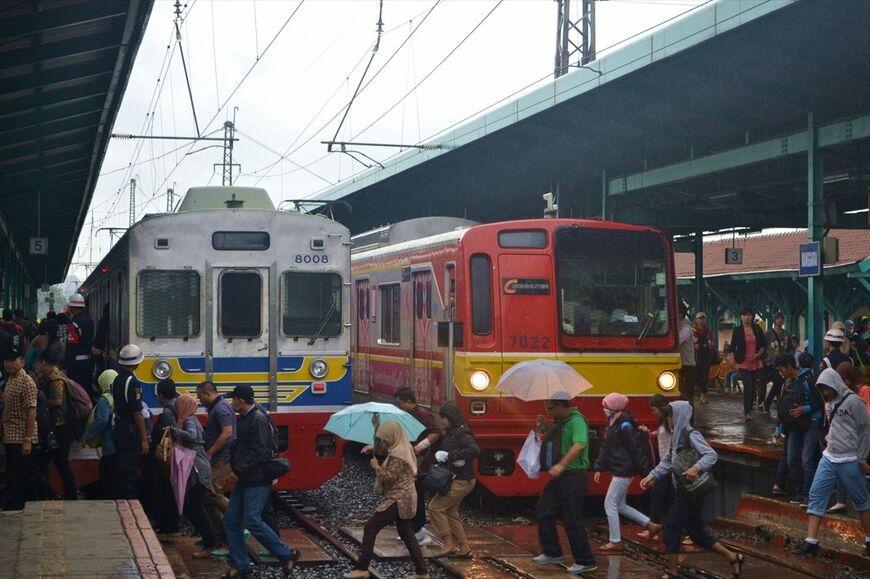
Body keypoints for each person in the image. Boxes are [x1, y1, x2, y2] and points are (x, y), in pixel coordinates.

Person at [640, 401, 745, 578]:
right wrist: (652, 476)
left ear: (680, 415)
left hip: (690, 491)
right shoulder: (676, 436)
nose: (669, 418)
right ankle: (734, 557)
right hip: (684, 489)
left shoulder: (690, 434)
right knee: (696, 531)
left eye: (671, 415)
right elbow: (668, 461)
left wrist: (696, 468)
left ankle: (672, 572)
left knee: (672, 528)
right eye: (668, 415)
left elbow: (711, 455)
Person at [793, 369, 870, 558]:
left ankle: (869, 539)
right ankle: (811, 541)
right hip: (829, 456)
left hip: (849, 458)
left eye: (827, 388)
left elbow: (865, 430)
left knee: (861, 500)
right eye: (822, 389)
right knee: (816, 494)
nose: (825, 393)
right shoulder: (829, 403)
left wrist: (861, 458)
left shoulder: (854, 402)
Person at [223, 385, 299, 578]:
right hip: (247, 478)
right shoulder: (249, 418)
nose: (232, 403)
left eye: (234, 400)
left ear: (241, 400)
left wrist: (238, 470)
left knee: (252, 520)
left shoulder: (257, 419)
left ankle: (286, 553)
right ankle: (241, 565)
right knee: (231, 520)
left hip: (256, 478)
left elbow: (262, 452)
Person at [344, 421, 429, 579]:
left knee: (370, 527)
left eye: (386, 438)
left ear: (393, 436)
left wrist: (376, 466)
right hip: (406, 497)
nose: (385, 442)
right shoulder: (404, 447)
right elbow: (387, 452)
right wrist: (374, 447)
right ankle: (422, 572)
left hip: (399, 498)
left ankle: (362, 568)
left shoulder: (399, 455)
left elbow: (388, 476)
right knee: (407, 533)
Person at [532, 393, 597, 575]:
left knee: (572, 518)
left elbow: (579, 445)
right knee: (544, 509)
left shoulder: (576, 421)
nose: (549, 411)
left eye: (550, 408)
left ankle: (586, 560)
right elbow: (553, 444)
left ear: (561, 405)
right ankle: (552, 552)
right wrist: (542, 428)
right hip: (560, 477)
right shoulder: (559, 423)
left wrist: (561, 465)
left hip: (574, 476)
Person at [592, 393, 660, 550]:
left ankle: (615, 540)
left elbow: (635, 450)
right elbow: (605, 446)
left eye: (606, 406)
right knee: (620, 505)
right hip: (621, 468)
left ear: (614, 407)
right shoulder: (613, 422)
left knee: (609, 503)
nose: (604, 409)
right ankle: (650, 524)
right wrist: (599, 467)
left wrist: (647, 473)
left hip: (624, 470)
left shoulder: (624, 425)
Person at [428, 401, 479, 558]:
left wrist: (450, 456)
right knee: (450, 512)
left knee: (435, 508)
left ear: (453, 418)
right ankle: (464, 547)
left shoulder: (463, 433)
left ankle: (448, 543)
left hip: (462, 480)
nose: (442, 421)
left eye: (445, 418)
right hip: (460, 479)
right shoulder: (452, 432)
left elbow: (474, 450)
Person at [392, 387, 442, 545]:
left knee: (417, 495)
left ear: (409, 401)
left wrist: (420, 447)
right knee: (411, 494)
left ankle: (419, 530)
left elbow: (436, 432)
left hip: (420, 462)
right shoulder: (409, 414)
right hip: (412, 460)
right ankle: (413, 529)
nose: (398, 406)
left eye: (400, 403)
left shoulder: (421, 414)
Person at [171, 394, 217, 558]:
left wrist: (173, 430)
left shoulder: (189, 421)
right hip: (197, 468)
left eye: (178, 405)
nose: (176, 408)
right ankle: (208, 537)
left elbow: (191, 436)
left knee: (196, 508)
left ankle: (209, 542)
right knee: (196, 506)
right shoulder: (192, 419)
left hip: (198, 470)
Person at [774, 354, 822, 508]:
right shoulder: (787, 383)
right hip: (795, 426)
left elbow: (819, 403)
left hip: (810, 423)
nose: (780, 372)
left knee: (806, 459)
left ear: (789, 366)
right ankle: (799, 490)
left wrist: (804, 409)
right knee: (792, 459)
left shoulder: (808, 381)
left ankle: (809, 494)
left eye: (781, 369)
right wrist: (779, 426)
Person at [196, 381, 236, 552]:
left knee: (211, 493)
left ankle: (237, 519)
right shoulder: (217, 407)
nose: (199, 400)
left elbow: (227, 432)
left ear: (207, 394)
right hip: (219, 458)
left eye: (200, 397)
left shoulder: (220, 409)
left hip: (222, 458)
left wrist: (210, 452)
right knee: (210, 496)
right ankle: (219, 535)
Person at [35, 349, 78, 500]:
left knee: (59, 462)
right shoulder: (56, 375)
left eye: (39, 364)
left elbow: (57, 401)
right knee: (56, 462)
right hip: (60, 425)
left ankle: (68, 494)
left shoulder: (55, 379)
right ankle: (62, 493)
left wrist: (40, 401)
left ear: (44, 363)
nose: (38, 367)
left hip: (61, 426)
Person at [2, 347, 40, 510]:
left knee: (18, 473)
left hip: (20, 435)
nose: (9, 364)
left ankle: (14, 505)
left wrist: (28, 440)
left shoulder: (27, 382)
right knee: (17, 472)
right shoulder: (10, 379)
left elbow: (32, 412)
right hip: (9, 434)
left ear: (22, 362)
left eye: (13, 360)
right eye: (7, 361)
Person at [111, 344, 150, 499]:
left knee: (122, 468)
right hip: (130, 432)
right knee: (129, 471)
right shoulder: (132, 383)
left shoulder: (116, 379)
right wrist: (144, 438)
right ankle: (129, 503)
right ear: (136, 363)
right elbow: (137, 412)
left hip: (119, 429)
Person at [637, 395, 673, 540]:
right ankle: (656, 527)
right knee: (663, 496)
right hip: (665, 465)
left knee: (657, 495)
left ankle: (655, 528)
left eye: (654, 410)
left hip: (669, 465)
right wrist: (648, 433)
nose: (653, 413)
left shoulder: (670, 423)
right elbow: (659, 435)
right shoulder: (664, 423)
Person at [149, 379, 180, 535]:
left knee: (166, 490)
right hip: (177, 455)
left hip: (169, 457)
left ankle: (169, 524)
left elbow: (170, 434)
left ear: (160, 395)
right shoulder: (178, 405)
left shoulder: (168, 411)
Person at [83, 369, 118, 499]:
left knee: (107, 476)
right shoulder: (121, 396)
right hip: (122, 444)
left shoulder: (105, 399)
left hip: (110, 446)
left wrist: (87, 437)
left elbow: (101, 421)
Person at [730, 307, 767, 421]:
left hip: (755, 362)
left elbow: (763, 345)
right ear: (741, 317)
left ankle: (750, 408)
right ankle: (747, 411)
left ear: (752, 317)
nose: (747, 318)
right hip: (743, 362)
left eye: (749, 315)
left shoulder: (757, 329)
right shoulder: (737, 330)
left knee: (753, 387)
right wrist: (734, 361)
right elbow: (732, 347)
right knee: (748, 385)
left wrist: (757, 355)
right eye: (744, 315)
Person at [763, 313, 793, 414]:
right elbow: (763, 347)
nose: (780, 320)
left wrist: (789, 357)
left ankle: (769, 403)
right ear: (774, 320)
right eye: (778, 318)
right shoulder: (768, 334)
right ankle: (773, 403)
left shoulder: (786, 334)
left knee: (779, 384)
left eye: (782, 318)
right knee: (777, 383)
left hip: (784, 363)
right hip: (772, 363)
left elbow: (790, 348)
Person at [678, 304, 697, 405]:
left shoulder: (686, 328)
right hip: (684, 364)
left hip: (687, 365)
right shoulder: (681, 327)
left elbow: (676, 342)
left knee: (687, 395)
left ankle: (690, 419)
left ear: (680, 314)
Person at [693, 312, 714, 404]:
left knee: (705, 376)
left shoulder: (708, 330)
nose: (701, 320)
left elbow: (711, 342)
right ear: (696, 320)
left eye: (703, 318)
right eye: (699, 318)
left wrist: (710, 344)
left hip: (705, 356)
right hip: (694, 356)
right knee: (695, 375)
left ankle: (703, 396)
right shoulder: (693, 330)